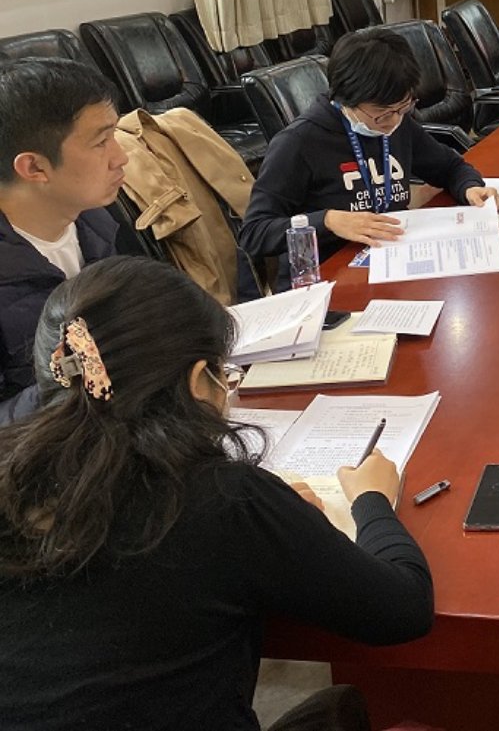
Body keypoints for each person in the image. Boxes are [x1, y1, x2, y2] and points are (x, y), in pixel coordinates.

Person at [0, 256, 433, 729]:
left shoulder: (13, 480)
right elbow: (403, 609)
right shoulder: (220, 499)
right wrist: (372, 500)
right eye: (226, 374)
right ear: (197, 381)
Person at [240, 27, 496, 280]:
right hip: (328, 275)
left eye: (403, 107)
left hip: (392, 262)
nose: (393, 121)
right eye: (381, 113)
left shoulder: (397, 123)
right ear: (345, 99)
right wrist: (328, 221)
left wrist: (470, 187)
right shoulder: (298, 142)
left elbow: (450, 167)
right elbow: (254, 233)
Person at [0, 59, 128, 425]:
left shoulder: (97, 220)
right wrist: (77, 372)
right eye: (101, 142)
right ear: (34, 167)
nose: (121, 157)